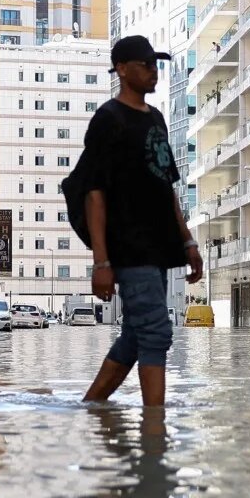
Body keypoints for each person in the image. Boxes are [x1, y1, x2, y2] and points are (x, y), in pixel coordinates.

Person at [77, 35, 204, 408]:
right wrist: (101, 261)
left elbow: (167, 185)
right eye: (146, 64)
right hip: (128, 245)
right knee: (155, 331)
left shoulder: (157, 119)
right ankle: (154, 428)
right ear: (122, 69)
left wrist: (188, 241)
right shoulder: (108, 120)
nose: (154, 71)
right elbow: (94, 193)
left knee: (136, 333)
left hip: (159, 244)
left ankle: (93, 406)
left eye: (156, 64)